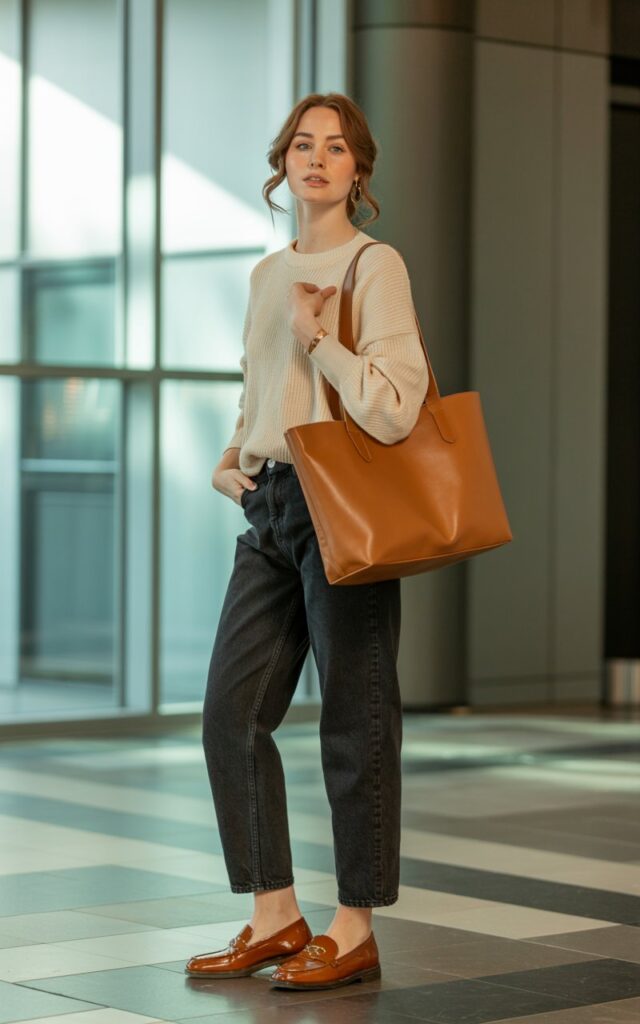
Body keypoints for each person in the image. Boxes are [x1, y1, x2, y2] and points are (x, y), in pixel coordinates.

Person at [185, 92, 428, 991]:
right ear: (282, 163)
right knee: (231, 713)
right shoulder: (265, 274)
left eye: (335, 147)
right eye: (301, 144)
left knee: (355, 719)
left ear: (358, 170)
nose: (316, 158)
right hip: (271, 508)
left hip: (343, 507)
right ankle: (274, 914)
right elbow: (258, 390)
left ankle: (354, 926)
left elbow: (395, 406)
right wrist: (231, 455)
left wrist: (320, 340)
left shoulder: (375, 265)